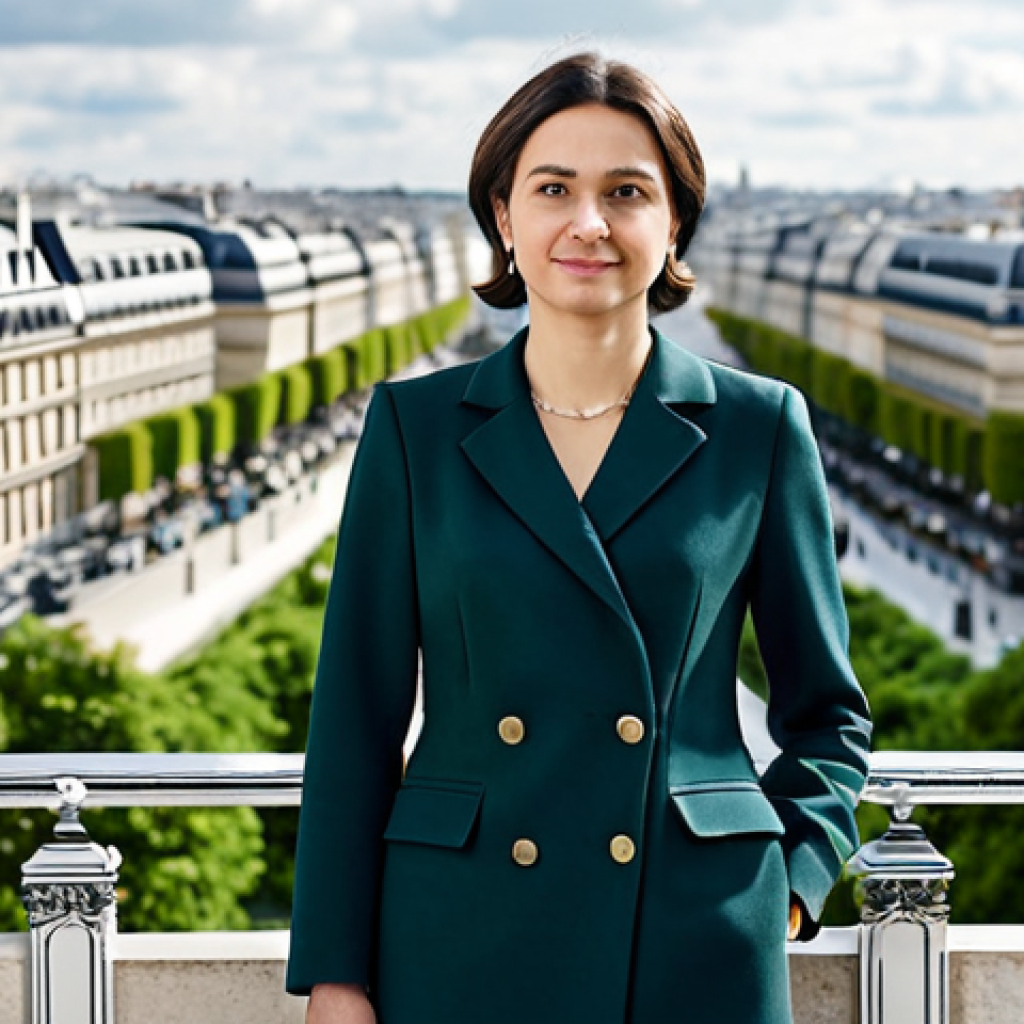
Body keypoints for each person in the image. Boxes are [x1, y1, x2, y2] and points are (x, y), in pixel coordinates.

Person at [286, 51, 873, 1024]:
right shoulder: (413, 429)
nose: (588, 222)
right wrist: (335, 973)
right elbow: (353, 722)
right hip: (461, 929)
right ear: (505, 218)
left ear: (674, 220)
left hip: (693, 936)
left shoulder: (759, 427)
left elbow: (828, 716)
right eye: (553, 187)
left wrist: (793, 884)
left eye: (627, 191)